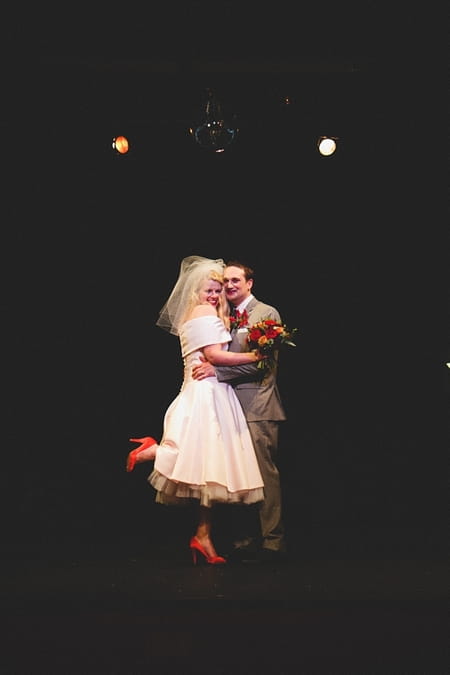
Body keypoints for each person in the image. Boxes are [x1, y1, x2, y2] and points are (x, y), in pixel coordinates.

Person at [126, 255, 265, 565]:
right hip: (206, 395)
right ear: (196, 291)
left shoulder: (203, 312)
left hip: (209, 392)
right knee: (199, 461)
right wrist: (255, 356)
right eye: (209, 290)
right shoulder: (203, 311)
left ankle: (203, 537)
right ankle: (152, 451)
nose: (214, 296)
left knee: (209, 474)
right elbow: (215, 356)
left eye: (218, 291)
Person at [192, 260, 287, 563]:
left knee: (263, 477)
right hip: (229, 406)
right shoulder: (223, 315)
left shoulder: (265, 313)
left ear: (249, 283)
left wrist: (215, 372)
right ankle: (246, 540)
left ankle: (273, 543)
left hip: (258, 405)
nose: (230, 285)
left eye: (236, 280)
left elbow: (263, 362)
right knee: (238, 476)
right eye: (226, 281)